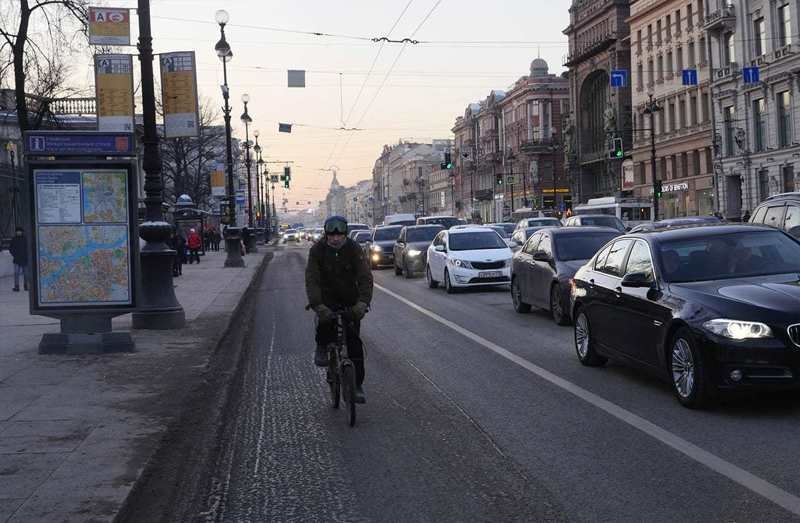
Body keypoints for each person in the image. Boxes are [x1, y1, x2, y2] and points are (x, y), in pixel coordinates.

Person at [305, 216, 373, 403]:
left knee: (355, 345)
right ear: (326, 235)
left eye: (340, 236)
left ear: (345, 235)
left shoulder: (354, 249)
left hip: (350, 300)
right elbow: (312, 279)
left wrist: (362, 303)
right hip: (327, 300)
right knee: (325, 324)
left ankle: (357, 385)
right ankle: (321, 347)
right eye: (332, 236)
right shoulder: (317, 250)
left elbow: (365, 277)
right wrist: (318, 304)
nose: (335, 239)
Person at [9, 226, 28, 292]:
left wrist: (27, 255)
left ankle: (26, 286)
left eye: (20, 231)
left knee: (26, 274)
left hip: (25, 259)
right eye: (17, 231)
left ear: (22, 232)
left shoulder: (25, 239)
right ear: (16, 232)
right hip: (17, 259)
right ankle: (17, 286)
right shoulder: (14, 239)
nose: (18, 232)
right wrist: (14, 255)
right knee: (16, 273)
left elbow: (28, 248)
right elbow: (11, 248)